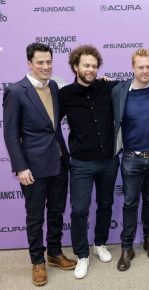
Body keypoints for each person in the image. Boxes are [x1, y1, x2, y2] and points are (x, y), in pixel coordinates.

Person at [3, 43, 76, 286]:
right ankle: (37, 261)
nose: (45, 66)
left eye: (48, 62)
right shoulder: (16, 91)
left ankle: (54, 253)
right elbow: (10, 134)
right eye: (40, 62)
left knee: (56, 212)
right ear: (29, 63)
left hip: (58, 162)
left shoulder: (54, 86)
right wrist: (20, 167)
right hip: (32, 168)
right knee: (35, 217)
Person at [59, 45, 120, 279]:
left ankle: (100, 243)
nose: (91, 69)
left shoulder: (106, 86)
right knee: (79, 210)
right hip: (81, 164)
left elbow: (136, 83)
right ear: (76, 67)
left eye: (94, 66)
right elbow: (51, 124)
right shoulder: (64, 95)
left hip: (108, 161)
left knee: (105, 204)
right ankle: (82, 255)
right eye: (86, 65)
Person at [112, 48, 149, 271]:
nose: (145, 71)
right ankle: (126, 247)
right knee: (129, 203)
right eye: (141, 67)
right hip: (131, 158)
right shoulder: (120, 91)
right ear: (132, 68)